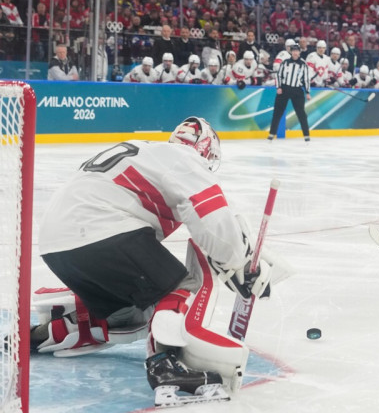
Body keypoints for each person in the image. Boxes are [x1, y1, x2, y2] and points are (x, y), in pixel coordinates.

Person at [36, 117, 274, 405]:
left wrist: (233, 256)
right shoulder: (185, 160)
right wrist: (239, 262)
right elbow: (213, 219)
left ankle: (41, 335)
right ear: (206, 150)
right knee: (182, 283)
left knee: (129, 313)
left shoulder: (150, 153)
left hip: (56, 246)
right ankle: (165, 366)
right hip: (100, 230)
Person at [269, 43, 311, 142]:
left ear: (299, 52)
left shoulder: (304, 65)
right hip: (284, 89)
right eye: (293, 51)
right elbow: (279, 75)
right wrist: (278, 87)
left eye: (297, 51)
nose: (295, 53)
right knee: (277, 112)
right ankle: (271, 134)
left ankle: (306, 136)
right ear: (291, 52)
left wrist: (307, 92)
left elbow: (306, 79)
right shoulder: (285, 62)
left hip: (297, 90)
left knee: (301, 113)